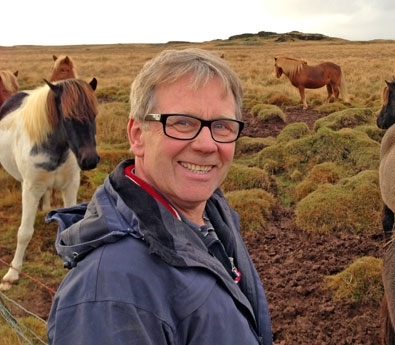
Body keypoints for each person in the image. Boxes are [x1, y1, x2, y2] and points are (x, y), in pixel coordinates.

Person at [46, 48, 273, 345]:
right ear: (137, 135)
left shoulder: (213, 215)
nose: (207, 144)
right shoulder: (109, 294)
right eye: (181, 122)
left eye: (221, 125)